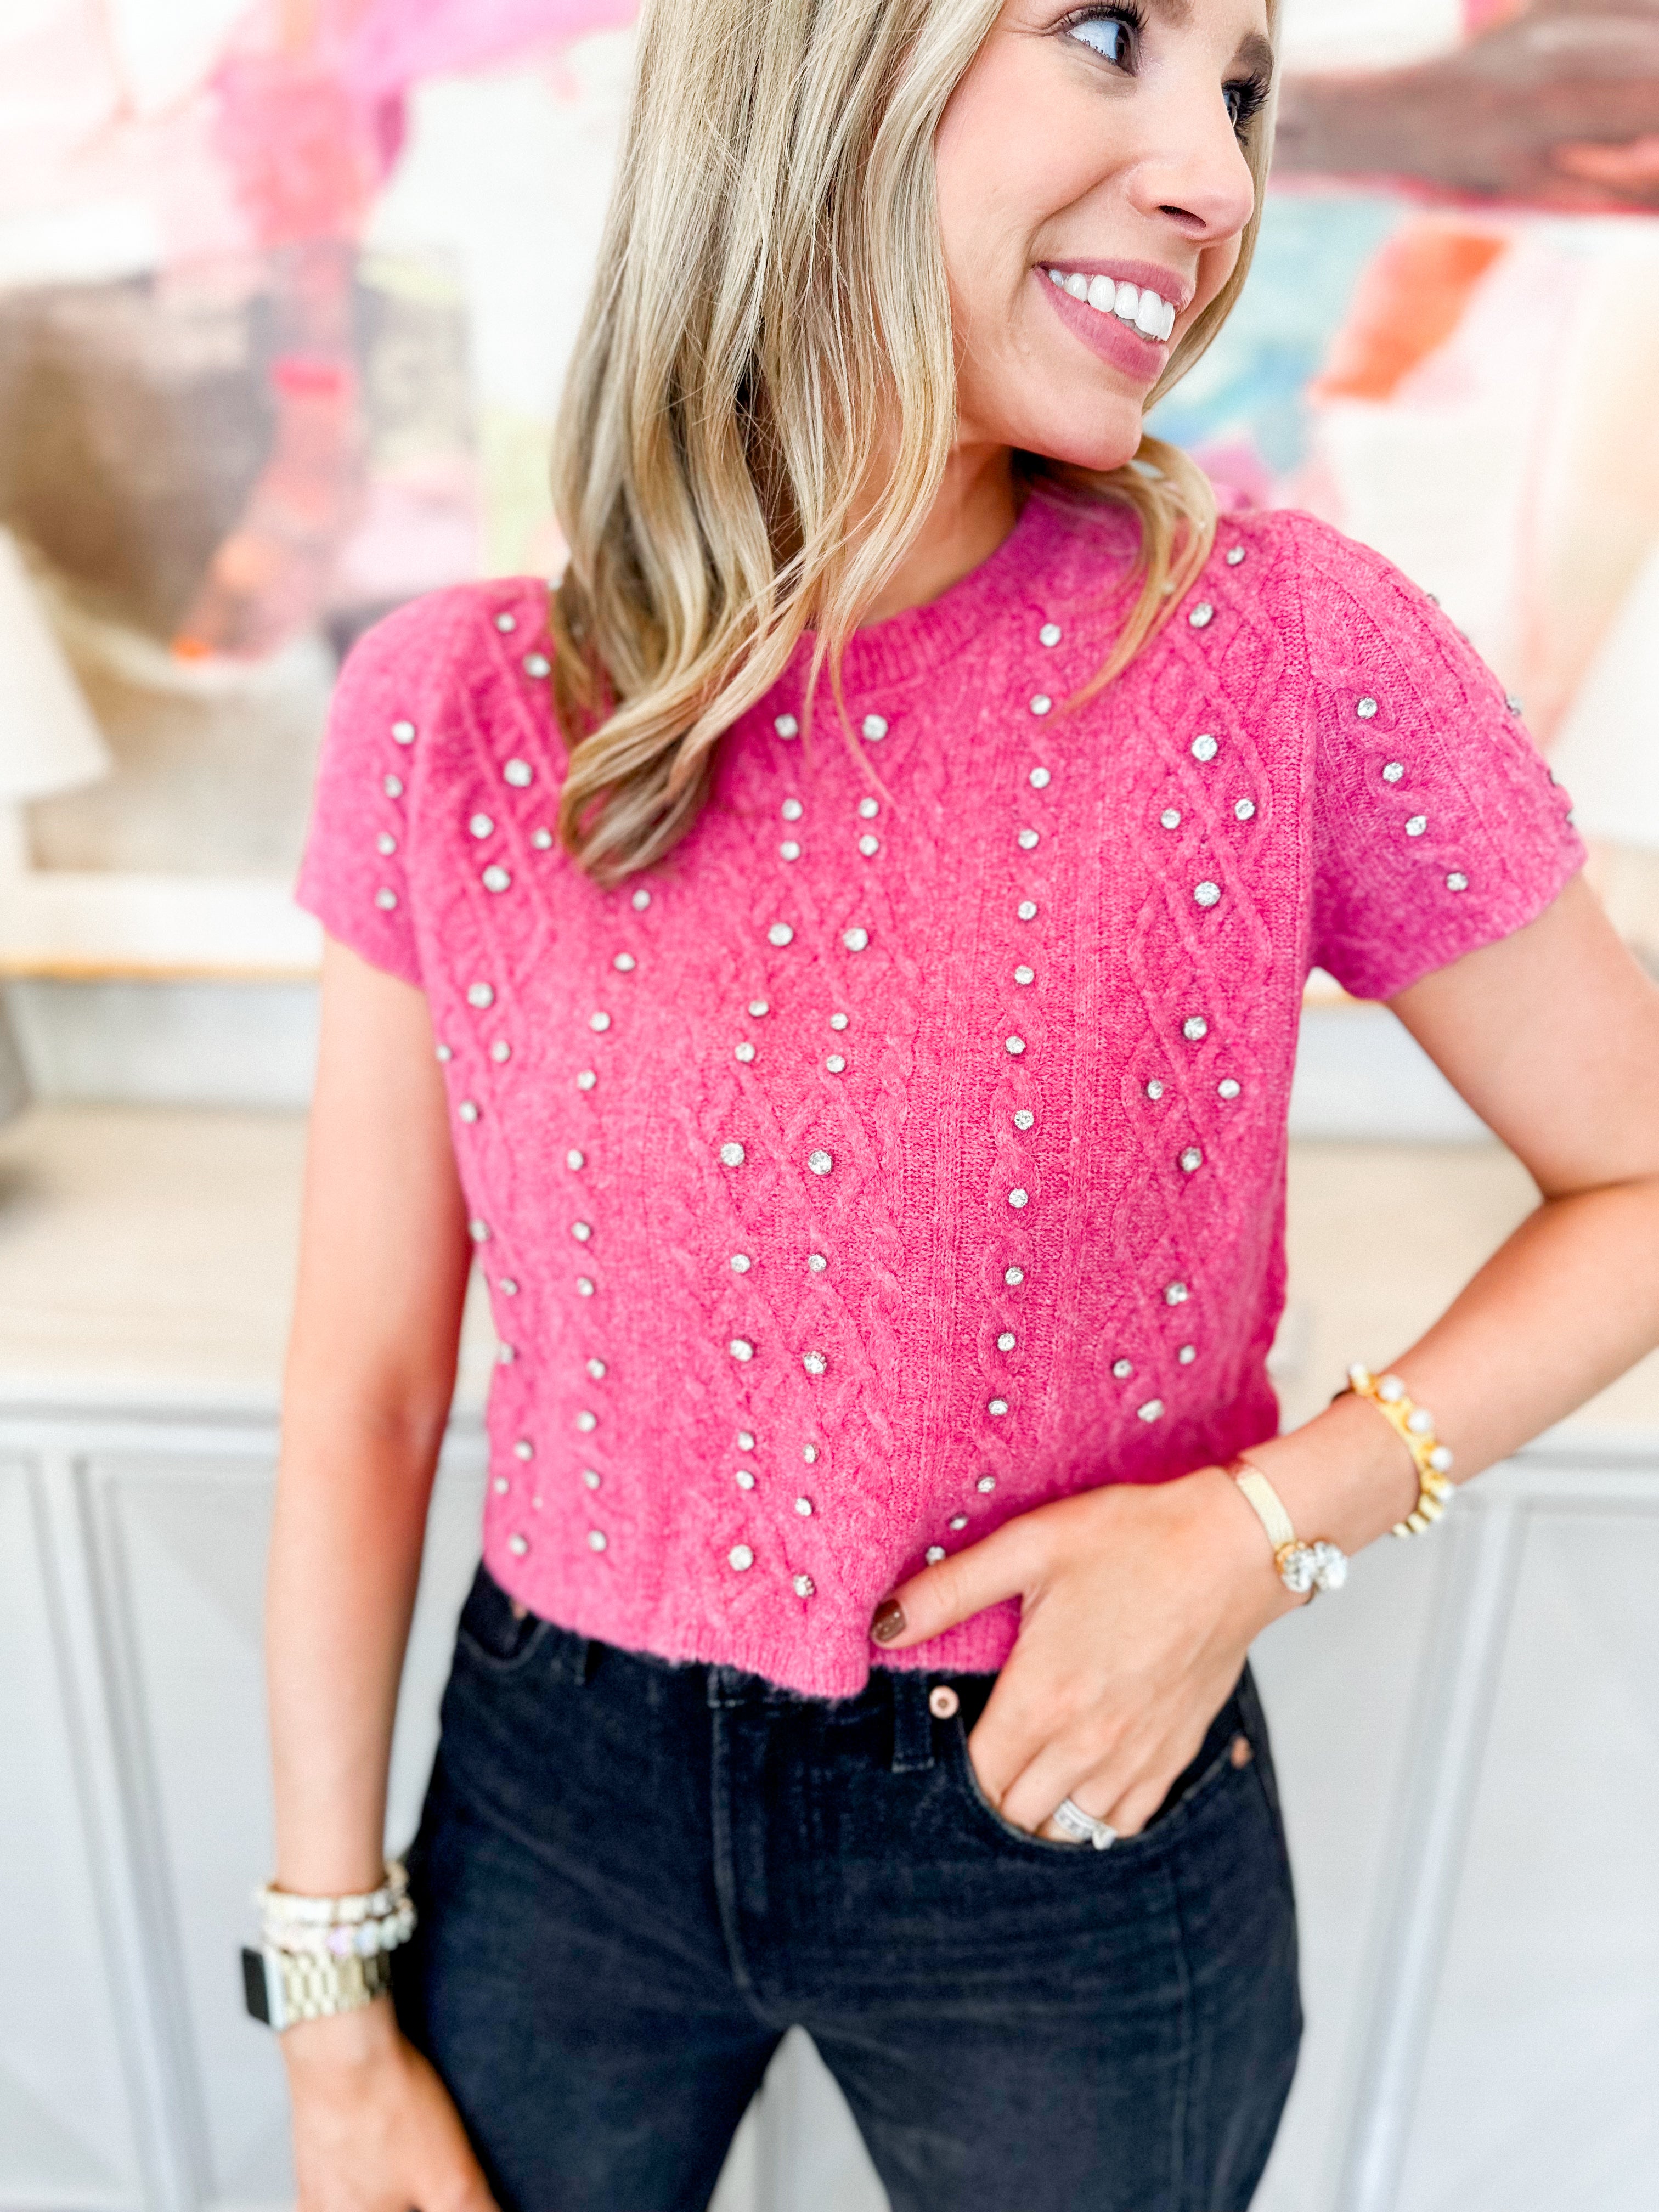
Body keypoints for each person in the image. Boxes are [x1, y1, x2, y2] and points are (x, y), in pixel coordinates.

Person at [259, 2, 1659, 2207]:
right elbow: (363, 1387)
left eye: (1241, 88)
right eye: (1109, 32)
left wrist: (1257, 1532)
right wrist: (331, 2000)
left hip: (1068, 1796)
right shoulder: (462, 704)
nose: (1216, 176)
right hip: (554, 1792)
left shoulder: (1285, 655)